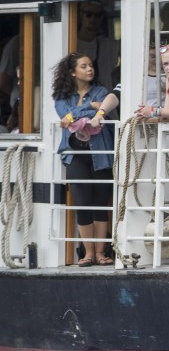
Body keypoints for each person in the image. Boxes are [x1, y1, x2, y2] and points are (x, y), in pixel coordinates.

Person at [52, 53, 117, 266]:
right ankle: (88, 253)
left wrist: (76, 115)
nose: (90, 69)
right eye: (84, 66)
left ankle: (100, 253)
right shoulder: (62, 96)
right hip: (75, 156)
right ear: (72, 72)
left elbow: (76, 116)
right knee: (82, 203)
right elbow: (65, 116)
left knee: (100, 203)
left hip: (101, 153)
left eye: (91, 65)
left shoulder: (101, 91)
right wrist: (90, 107)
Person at [76, 0, 119, 89]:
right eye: (88, 14)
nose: (93, 19)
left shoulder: (108, 45)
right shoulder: (71, 43)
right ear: (81, 15)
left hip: (105, 100)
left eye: (98, 15)